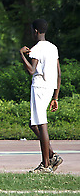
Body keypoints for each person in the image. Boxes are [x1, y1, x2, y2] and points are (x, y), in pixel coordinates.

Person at [19, 19, 63, 173]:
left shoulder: (36, 49)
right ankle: (52, 156)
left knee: (41, 124)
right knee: (34, 123)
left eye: (32, 30)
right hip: (50, 87)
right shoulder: (53, 48)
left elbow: (31, 70)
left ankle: (46, 165)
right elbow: (58, 73)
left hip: (39, 86)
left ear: (36, 31)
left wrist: (21, 55)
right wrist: (55, 97)